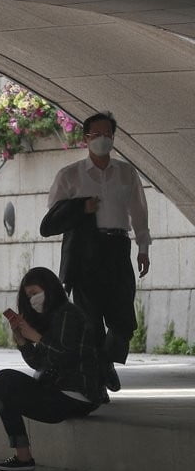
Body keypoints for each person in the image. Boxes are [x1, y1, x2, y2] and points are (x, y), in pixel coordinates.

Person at [0, 267, 107, 471]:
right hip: (58, 391)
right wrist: (22, 340)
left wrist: (37, 337)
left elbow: (65, 356)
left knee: (7, 384)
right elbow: (38, 363)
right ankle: (19, 454)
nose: (32, 299)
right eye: (28, 296)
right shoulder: (51, 317)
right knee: (6, 387)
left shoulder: (68, 313)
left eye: (35, 293)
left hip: (77, 395)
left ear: (49, 289)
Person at [41, 111, 150, 392]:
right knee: (90, 318)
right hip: (85, 250)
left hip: (117, 246)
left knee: (123, 317)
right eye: (95, 134)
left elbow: (139, 211)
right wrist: (81, 208)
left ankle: (105, 359)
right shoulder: (70, 175)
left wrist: (143, 246)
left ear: (113, 137)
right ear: (85, 138)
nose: (102, 139)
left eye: (107, 134)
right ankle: (101, 371)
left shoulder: (126, 173)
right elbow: (54, 217)